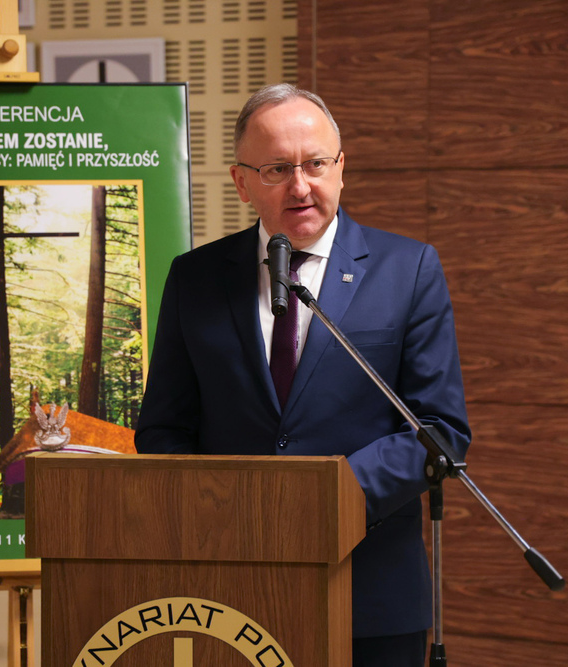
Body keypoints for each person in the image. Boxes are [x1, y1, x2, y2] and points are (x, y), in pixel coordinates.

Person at [135, 82, 471, 667]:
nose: (301, 185)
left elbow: (440, 429)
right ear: (242, 182)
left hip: (370, 591)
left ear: (341, 168)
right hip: (226, 588)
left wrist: (324, 498)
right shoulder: (195, 278)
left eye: (315, 163)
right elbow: (164, 429)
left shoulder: (408, 268)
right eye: (276, 169)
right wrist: (214, 514)